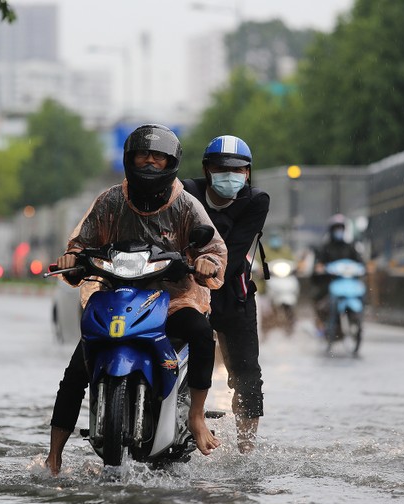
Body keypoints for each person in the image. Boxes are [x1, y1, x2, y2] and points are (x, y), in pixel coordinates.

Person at [45, 124, 228, 476]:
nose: (150, 161)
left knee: (201, 333)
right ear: (130, 160)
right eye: (143, 154)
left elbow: (213, 248)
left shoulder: (186, 204)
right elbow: (79, 244)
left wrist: (207, 262)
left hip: (173, 298)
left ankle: (197, 417)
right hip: (115, 295)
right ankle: (54, 456)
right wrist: (72, 258)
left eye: (158, 156)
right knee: (76, 369)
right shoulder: (110, 200)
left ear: (170, 163)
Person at [181, 134, 269, 453]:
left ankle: (246, 450)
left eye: (238, 169)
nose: (230, 175)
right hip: (187, 291)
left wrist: (210, 266)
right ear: (207, 170)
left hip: (233, 296)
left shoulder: (256, 201)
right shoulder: (186, 193)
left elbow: (233, 252)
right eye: (221, 168)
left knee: (247, 375)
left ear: (247, 173)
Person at [312, 214, 364, 330]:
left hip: (348, 281)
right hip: (331, 281)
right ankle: (321, 324)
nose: (338, 231)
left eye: (340, 228)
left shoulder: (350, 246)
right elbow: (319, 263)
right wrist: (321, 267)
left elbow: (359, 260)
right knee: (320, 298)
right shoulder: (326, 247)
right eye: (336, 229)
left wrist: (364, 267)